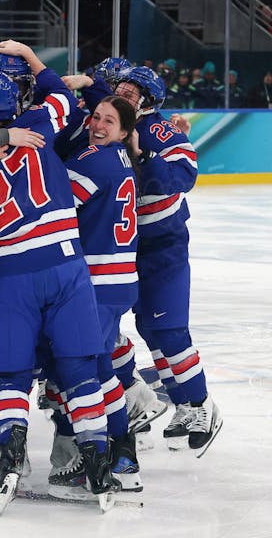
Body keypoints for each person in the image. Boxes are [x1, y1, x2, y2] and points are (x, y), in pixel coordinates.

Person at [0, 40, 120, 512]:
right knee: (80, 372)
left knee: (10, 375)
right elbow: (63, 99)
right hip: (67, 266)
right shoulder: (36, 127)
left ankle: (10, 456)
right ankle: (96, 459)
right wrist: (33, 59)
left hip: (8, 274)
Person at [110, 66, 222, 455]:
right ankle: (178, 401)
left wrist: (143, 156)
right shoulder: (108, 122)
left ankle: (200, 404)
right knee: (149, 328)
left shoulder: (160, 131)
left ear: (150, 100)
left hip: (163, 244)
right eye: (119, 87)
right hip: (126, 245)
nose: (122, 93)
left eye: (132, 90)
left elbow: (185, 174)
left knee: (169, 329)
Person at [52, 96, 143, 499]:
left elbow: (55, 206)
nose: (98, 125)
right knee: (100, 363)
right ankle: (123, 456)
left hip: (98, 281)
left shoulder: (93, 158)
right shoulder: (123, 160)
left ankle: (113, 453)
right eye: (95, 118)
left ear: (124, 132)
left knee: (88, 369)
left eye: (109, 121)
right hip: (119, 278)